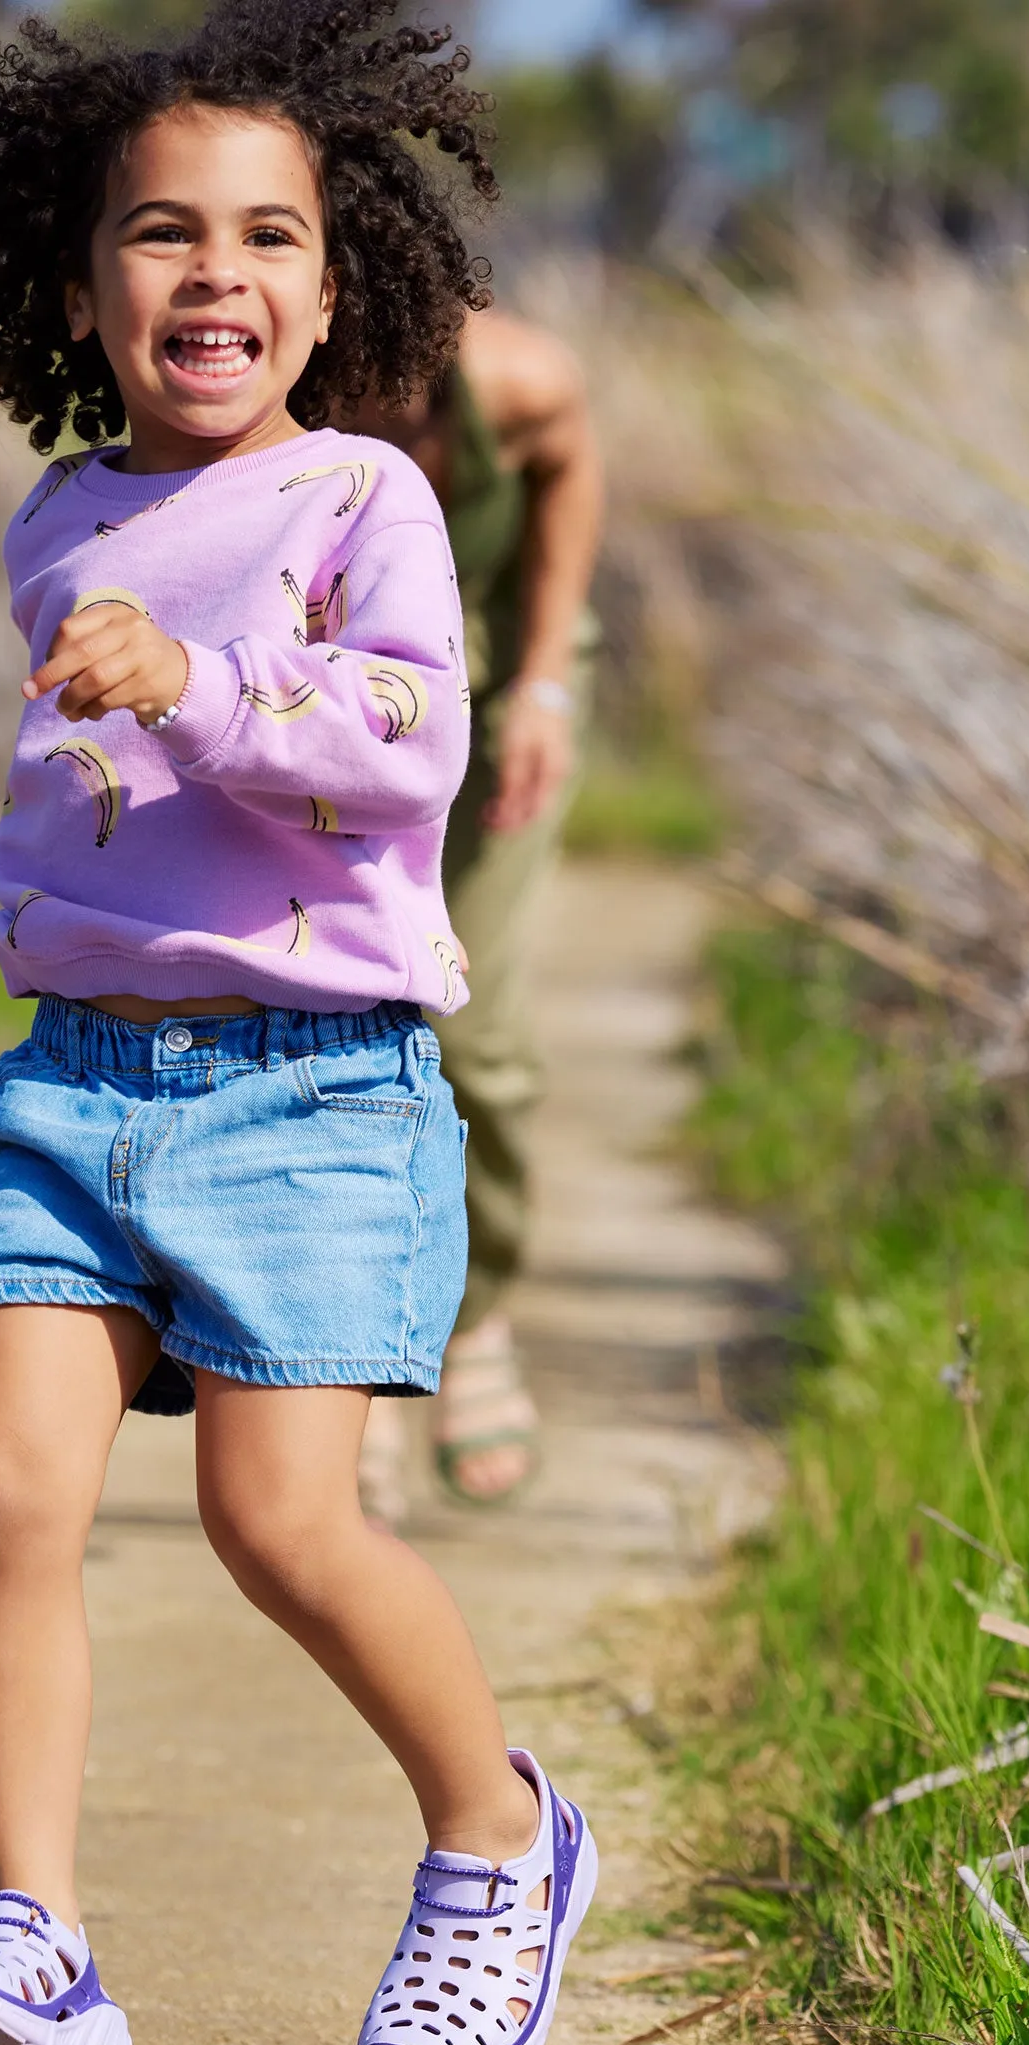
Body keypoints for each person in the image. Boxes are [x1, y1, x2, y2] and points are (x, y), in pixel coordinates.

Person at [0, 2, 596, 2045]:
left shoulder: (365, 493)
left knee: (285, 1527)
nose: (216, 275)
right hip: (79, 1080)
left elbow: (404, 748)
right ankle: (37, 1935)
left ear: (334, 287)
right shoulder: (54, 522)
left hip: (316, 1093)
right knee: (1, 1488)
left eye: (268, 239)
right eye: (162, 235)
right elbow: (102, 796)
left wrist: (195, 679)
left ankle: (498, 1836)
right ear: (79, 283)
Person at [346, 312, 605, 1518]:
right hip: (331, 716)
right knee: (329, 1039)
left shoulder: (517, 384)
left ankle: (477, 1314)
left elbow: (570, 475)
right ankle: (347, 1376)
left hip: (498, 695)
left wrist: (547, 679)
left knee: (472, 1038)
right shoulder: (264, 390)